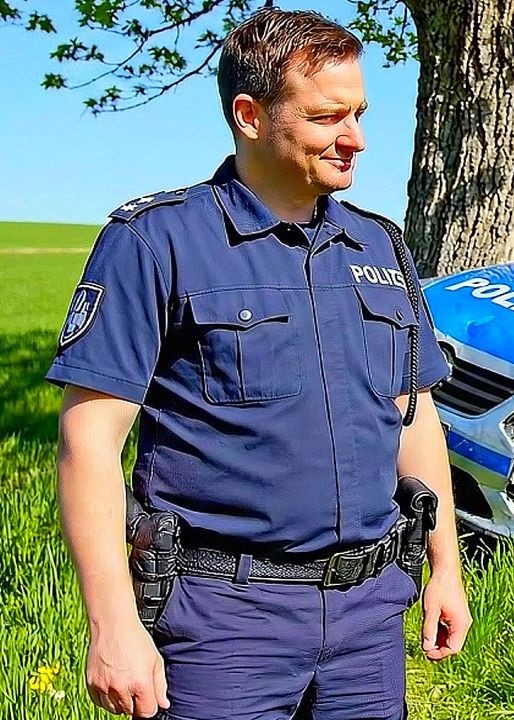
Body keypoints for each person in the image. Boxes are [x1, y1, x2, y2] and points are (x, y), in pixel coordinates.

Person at [47, 8, 470, 719]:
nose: (355, 139)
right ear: (250, 114)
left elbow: (413, 415)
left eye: (360, 113)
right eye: (328, 116)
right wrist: (111, 625)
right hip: (223, 622)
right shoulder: (157, 241)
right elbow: (88, 443)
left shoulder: (381, 248)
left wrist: (445, 569)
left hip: (369, 620)